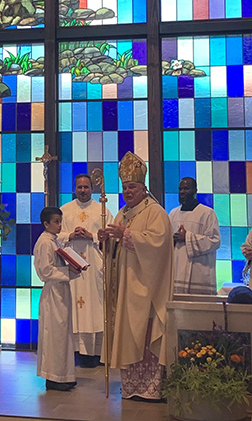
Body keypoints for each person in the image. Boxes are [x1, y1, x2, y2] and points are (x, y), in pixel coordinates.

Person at [98, 152, 173, 401]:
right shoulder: (122, 214)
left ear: (144, 188)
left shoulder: (156, 213)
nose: (128, 191)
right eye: (125, 187)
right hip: (125, 290)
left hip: (146, 291)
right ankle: (132, 387)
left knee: (145, 336)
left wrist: (127, 237)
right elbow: (115, 251)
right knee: (130, 337)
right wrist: (106, 243)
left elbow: (159, 244)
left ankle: (150, 389)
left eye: (132, 186)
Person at [60, 173, 113, 367]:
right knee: (74, 305)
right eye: (79, 187)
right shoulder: (65, 211)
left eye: (86, 187)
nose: (83, 191)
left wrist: (92, 236)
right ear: (75, 188)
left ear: (92, 189)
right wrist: (71, 235)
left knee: (94, 307)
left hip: (93, 268)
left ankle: (95, 352)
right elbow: (56, 236)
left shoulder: (103, 211)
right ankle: (75, 350)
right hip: (72, 267)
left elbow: (111, 239)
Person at [34, 206, 78, 391]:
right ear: (46, 224)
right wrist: (69, 271)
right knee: (54, 335)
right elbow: (45, 271)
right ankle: (53, 377)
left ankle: (64, 374)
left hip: (60, 291)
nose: (60, 225)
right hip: (52, 292)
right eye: (56, 222)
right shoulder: (44, 242)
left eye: (60, 221)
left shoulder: (53, 240)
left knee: (62, 334)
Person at [169, 177, 221, 295]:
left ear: (195, 190)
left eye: (186, 188)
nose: (182, 192)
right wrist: (172, 239)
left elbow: (215, 241)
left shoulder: (207, 213)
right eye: (180, 189)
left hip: (199, 273)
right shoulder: (173, 214)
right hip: (177, 270)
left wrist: (187, 237)